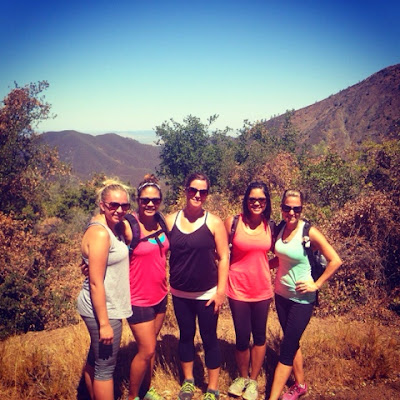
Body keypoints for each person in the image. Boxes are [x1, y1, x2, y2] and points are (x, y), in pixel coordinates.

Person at [268, 189, 342, 400]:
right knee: (292, 342)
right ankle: (300, 385)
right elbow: (281, 258)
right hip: (281, 296)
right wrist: (259, 266)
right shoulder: (280, 229)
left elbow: (335, 260)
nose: (291, 212)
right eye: (287, 208)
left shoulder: (309, 232)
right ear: (281, 208)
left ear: (301, 209)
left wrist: (316, 285)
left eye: (296, 208)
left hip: (302, 300)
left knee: (286, 349)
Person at [165, 172, 229, 400]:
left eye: (203, 191)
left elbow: (224, 257)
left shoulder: (214, 222)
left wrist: (221, 291)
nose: (197, 195)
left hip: (207, 294)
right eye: (193, 190)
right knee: (185, 336)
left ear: (207, 194)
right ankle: (189, 381)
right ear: (186, 190)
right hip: (180, 292)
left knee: (209, 338)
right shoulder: (170, 220)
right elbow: (154, 248)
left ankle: (212, 388)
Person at [77, 180, 133, 400]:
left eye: (124, 206)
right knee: (105, 368)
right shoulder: (101, 233)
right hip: (103, 308)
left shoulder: (109, 227)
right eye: (113, 205)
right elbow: (95, 283)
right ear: (102, 205)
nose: (119, 210)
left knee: (96, 359)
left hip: (105, 304)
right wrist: (104, 324)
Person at [224, 181, 274, 400]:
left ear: (267, 202)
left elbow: (279, 254)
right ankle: (242, 377)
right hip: (238, 289)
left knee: (260, 336)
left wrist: (263, 266)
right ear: (246, 200)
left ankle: (253, 381)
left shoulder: (271, 226)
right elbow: (220, 252)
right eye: (252, 199)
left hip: (262, 289)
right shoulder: (233, 222)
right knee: (242, 337)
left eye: (261, 199)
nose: (256, 203)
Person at [123, 175, 170, 400]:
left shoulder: (162, 222)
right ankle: (133, 396)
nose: (150, 204)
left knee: (151, 348)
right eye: (145, 200)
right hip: (137, 299)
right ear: (137, 200)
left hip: (160, 295)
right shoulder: (128, 225)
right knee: (147, 349)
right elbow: (102, 237)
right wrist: (87, 261)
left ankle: (147, 390)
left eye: (155, 200)